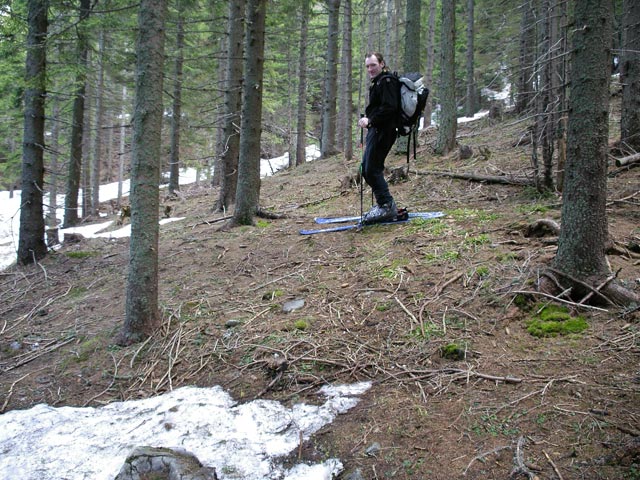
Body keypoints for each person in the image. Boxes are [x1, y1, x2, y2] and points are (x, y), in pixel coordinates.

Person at [357, 52, 399, 224]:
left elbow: (390, 107)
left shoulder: (387, 81)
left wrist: (371, 120)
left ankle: (387, 206)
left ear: (382, 64)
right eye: (367, 66)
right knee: (366, 169)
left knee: (372, 169)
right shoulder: (378, 82)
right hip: (376, 130)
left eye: (373, 65)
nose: (370, 69)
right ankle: (383, 204)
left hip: (385, 131)